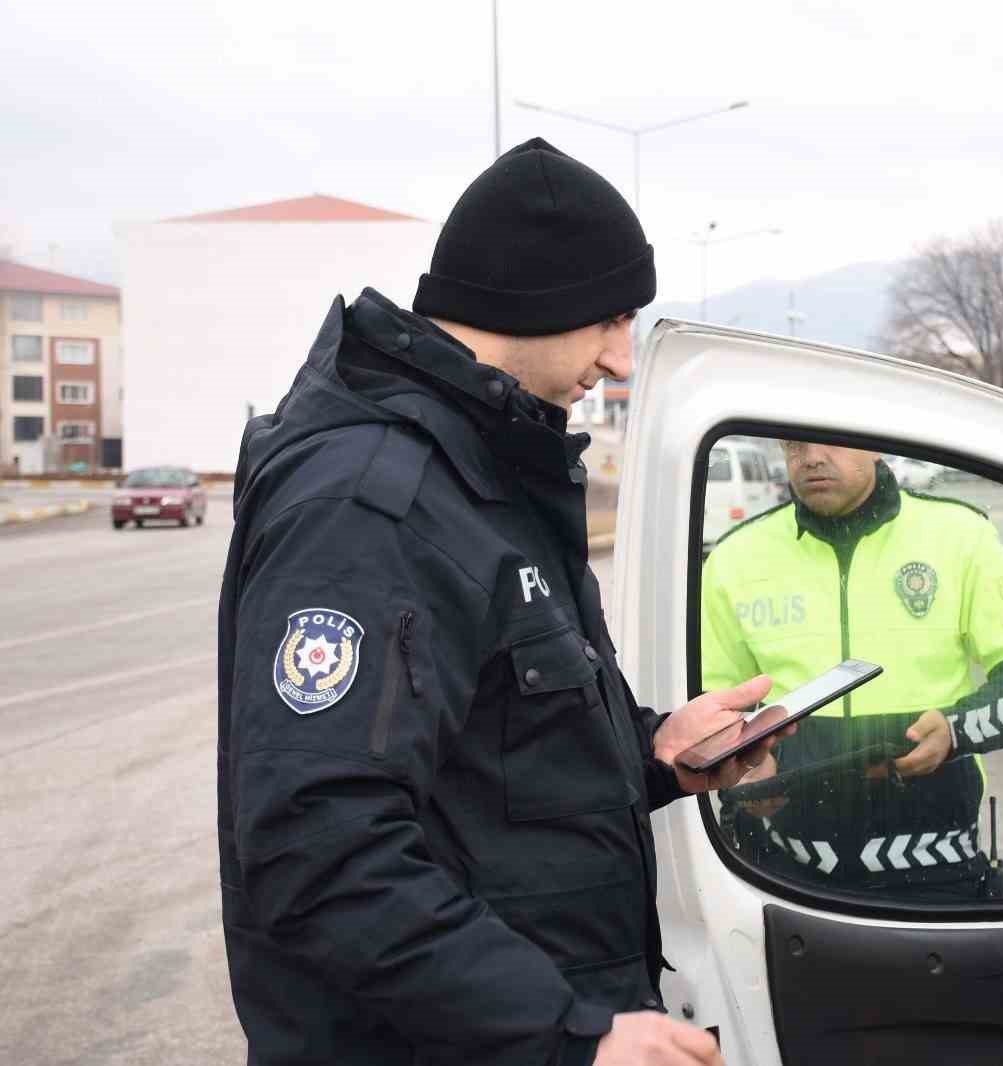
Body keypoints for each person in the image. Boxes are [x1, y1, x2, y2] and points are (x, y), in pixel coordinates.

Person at [217, 138, 777, 1066]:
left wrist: (655, 754)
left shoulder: (485, 474)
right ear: (534, 299)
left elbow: (484, 769)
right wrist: (566, 1037)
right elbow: (319, 848)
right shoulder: (374, 501)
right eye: (610, 319)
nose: (621, 359)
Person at [700, 440, 1003, 901]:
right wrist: (744, 763)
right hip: (775, 870)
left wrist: (956, 731)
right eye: (795, 443)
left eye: (830, 439)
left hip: (934, 870)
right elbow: (707, 703)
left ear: (872, 444)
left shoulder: (959, 535)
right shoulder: (734, 557)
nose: (812, 457)